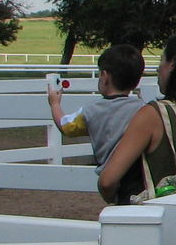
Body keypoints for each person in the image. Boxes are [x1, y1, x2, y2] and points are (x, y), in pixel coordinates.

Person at [98, 32, 176, 205]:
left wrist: (115, 199)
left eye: (162, 60)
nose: (159, 68)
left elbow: (107, 181)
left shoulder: (153, 115)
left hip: (152, 220)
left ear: (172, 64)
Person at [47, 44, 144, 178]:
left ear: (104, 76)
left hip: (109, 174)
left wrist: (55, 104)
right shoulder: (143, 109)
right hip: (137, 176)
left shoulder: (91, 111)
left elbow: (66, 126)